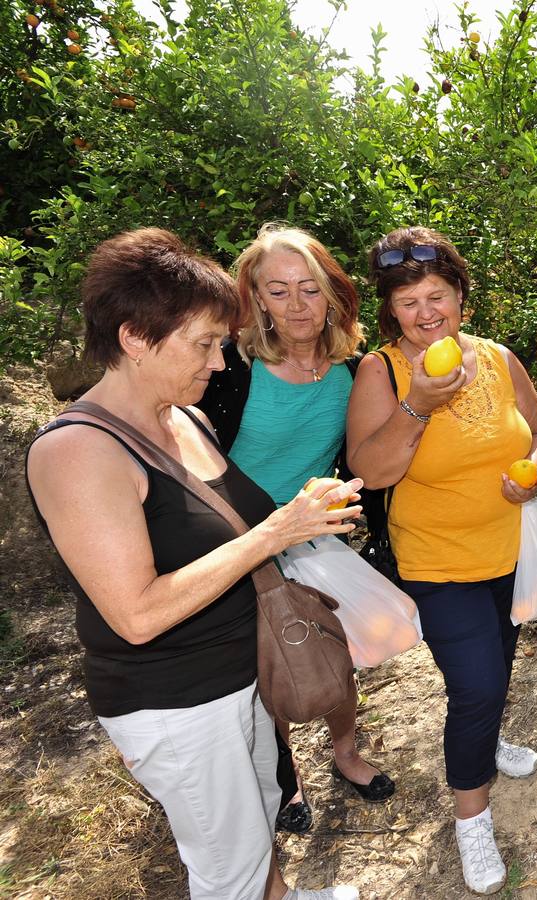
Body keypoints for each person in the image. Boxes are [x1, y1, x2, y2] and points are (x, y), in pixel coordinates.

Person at [25, 228, 362, 900]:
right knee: (226, 871)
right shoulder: (78, 452)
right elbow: (137, 613)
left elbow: (221, 532)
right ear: (134, 338)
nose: (218, 362)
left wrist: (298, 513)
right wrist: (276, 531)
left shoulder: (188, 421)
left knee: (260, 820)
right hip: (179, 702)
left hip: (244, 674)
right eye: (203, 344)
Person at [345, 226, 537, 896]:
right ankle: (472, 819)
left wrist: (533, 473)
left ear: (460, 294)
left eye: (436, 295)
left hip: (510, 547)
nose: (424, 311)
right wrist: (417, 407)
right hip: (436, 561)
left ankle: (488, 742)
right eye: (408, 302)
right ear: (390, 311)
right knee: (476, 686)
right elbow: (370, 472)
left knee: (498, 660)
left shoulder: (496, 357)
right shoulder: (382, 370)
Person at [196, 223, 395, 835]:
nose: (297, 306)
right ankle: (288, 777)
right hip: (240, 544)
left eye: (309, 288)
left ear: (333, 293)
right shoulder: (229, 367)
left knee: (332, 653)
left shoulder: (354, 369)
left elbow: (364, 457)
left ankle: (345, 752)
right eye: (277, 291)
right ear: (253, 296)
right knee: (269, 667)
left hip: (316, 539)